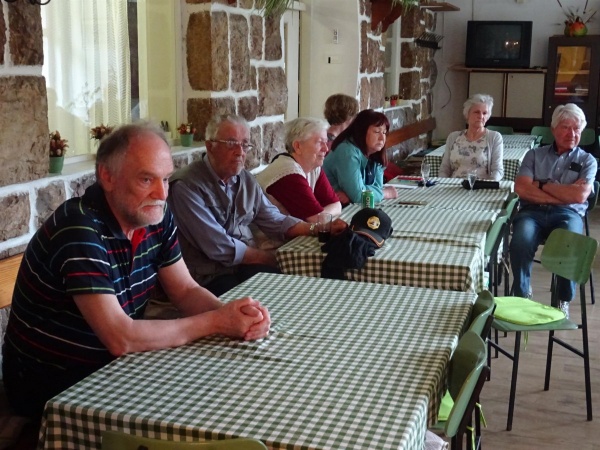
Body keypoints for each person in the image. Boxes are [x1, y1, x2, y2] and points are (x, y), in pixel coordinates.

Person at [1, 123, 271, 421]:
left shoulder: (155, 216)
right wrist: (216, 322)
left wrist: (234, 317)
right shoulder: (78, 228)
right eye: (146, 179)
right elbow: (121, 338)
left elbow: (185, 291)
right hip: (53, 384)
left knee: (227, 394)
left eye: (165, 179)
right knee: (201, 410)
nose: (162, 193)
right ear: (107, 176)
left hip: (114, 367)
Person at [168, 115, 346, 297]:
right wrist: (269, 258)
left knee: (294, 290)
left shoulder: (244, 179)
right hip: (207, 276)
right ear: (210, 146)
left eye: (245, 144)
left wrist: (317, 229)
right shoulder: (187, 186)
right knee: (255, 303)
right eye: (231, 143)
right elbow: (217, 245)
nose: (240, 152)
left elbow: (274, 219)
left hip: (244, 266)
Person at [510, 103, 597, 318]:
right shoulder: (534, 155)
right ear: (553, 129)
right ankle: (521, 293)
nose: (572, 134)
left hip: (569, 214)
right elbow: (521, 188)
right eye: (566, 127)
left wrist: (541, 184)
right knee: (520, 240)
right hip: (532, 212)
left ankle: (562, 297)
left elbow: (579, 196)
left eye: (577, 129)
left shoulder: (587, 161)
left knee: (570, 241)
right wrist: (563, 194)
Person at [255, 117, 341, 222]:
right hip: (263, 233)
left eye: (326, 142)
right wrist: (322, 216)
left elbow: (336, 205)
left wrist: (322, 215)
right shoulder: (288, 173)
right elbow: (315, 219)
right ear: (297, 146)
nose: (326, 149)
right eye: (319, 142)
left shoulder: (313, 167)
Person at [323, 109, 398, 205]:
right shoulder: (347, 152)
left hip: (347, 205)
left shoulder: (374, 152)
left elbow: (377, 187)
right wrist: (385, 193)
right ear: (362, 132)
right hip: (329, 206)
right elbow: (360, 197)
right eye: (376, 132)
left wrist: (353, 194)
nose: (382, 138)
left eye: (384, 132)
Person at [439, 93, 504, 181]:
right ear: (467, 114)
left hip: (481, 187)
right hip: (453, 185)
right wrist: (443, 184)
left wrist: (490, 185)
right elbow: (444, 168)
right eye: (477, 112)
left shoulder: (494, 137)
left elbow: (498, 170)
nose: (481, 116)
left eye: (484, 113)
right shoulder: (453, 137)